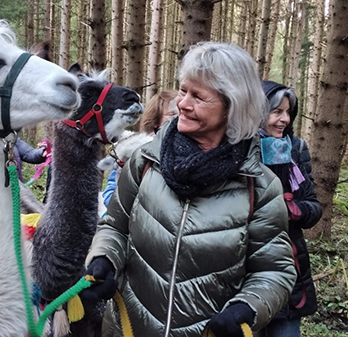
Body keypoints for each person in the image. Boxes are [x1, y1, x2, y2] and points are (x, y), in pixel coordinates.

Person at [81, 42, 296, 337]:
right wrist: (104, 258)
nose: (182, 103)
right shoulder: (145, 161)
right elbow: (115, 227)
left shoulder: (258, 186)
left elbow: (274, 270)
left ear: (232, 105)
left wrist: (245, 308)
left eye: (198, 96)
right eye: (183, 91)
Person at [258, 81, 322, 337]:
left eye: (288, 112)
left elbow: (313, 208)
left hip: (289, 269)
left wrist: (287, 209)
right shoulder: (237, 148)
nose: (284, 119)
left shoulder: (296, 148)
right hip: (245, 273)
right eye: (276, 112)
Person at [101, 90, 177, 206]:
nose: (179, 119)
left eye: (181, 113)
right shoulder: (136, 151)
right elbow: (110, 196)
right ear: (156, 121)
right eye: (172, 115)